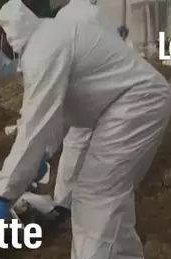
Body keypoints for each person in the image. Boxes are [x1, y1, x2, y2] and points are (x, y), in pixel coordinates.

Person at [0, 0, 171, 259]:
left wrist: (1, 197)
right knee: (111, 189)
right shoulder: (42, 44)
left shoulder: (44, 48)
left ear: (5, 37)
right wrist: (42, 156)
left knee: (94, 190)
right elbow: (53, 115)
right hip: (117, 107)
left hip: (137, 103)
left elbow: (34, 126)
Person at [52, 0, 134, 222]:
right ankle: (91, 200)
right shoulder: (94, 13)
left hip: (72, 82)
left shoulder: (62, 15)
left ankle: (63, 201)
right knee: (93, 142)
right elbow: (109, 45)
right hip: (95, 83)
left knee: (74, 143)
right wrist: (119, 35)